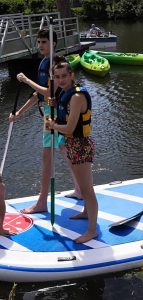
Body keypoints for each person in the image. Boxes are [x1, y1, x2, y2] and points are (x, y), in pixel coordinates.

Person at [9, 29, 81, 214]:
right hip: (49, 113)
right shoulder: (43, 62)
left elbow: (49, 92)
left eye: (43, 42)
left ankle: (42, 203)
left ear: (53, 44)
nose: (40, 45)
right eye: (38, 42)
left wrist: (26, 80)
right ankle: (80, 190)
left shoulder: (57, 64)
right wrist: (19, 113)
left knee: (48, 157)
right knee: (65, 152)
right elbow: (38, 94)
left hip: (57, 114)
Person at [47, 61, 98, 243]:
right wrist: (55, 103)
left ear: (71, 76)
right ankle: (85, 213)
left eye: (64, 76)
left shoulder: (76, 97)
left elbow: (69, 128)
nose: (61, 80)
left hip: (79, 145)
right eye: (57, 77)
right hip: (72, 145)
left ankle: (92, 230)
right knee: (84, 188)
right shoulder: (64, 94)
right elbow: (65, 116)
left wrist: (53, 125)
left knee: (87, 190)